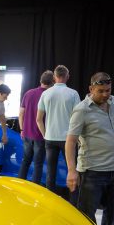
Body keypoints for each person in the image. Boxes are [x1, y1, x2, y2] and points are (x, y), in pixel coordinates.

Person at [65, 72, 114, 225]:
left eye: (108, 90)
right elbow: (71, 141)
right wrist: (71, 170)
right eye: (100, 91)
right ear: (91, 89)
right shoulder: (82, 110)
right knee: (86, 216)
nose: (105, 94)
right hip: (91, 172)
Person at [37, 65, 81, 193]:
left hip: (50, 138)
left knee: (51, 172)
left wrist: (45, 135)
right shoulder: (73, 94)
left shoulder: (46, 93)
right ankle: (74, 202)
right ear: (67, 76)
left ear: (54, 77)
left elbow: (38, 119)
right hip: (69, 139)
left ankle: (51, 203)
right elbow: (78, 117)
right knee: (72, 170)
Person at [18, 70, 53, 183]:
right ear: (53, 82)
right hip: (40, 135)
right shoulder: (49, 96)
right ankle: (35, 189)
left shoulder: (28, 93)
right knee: (38, 164)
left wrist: (22, 129)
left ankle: (20, 184)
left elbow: (21, 113)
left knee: (25, 161)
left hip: (26, 133)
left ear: (40, 80)